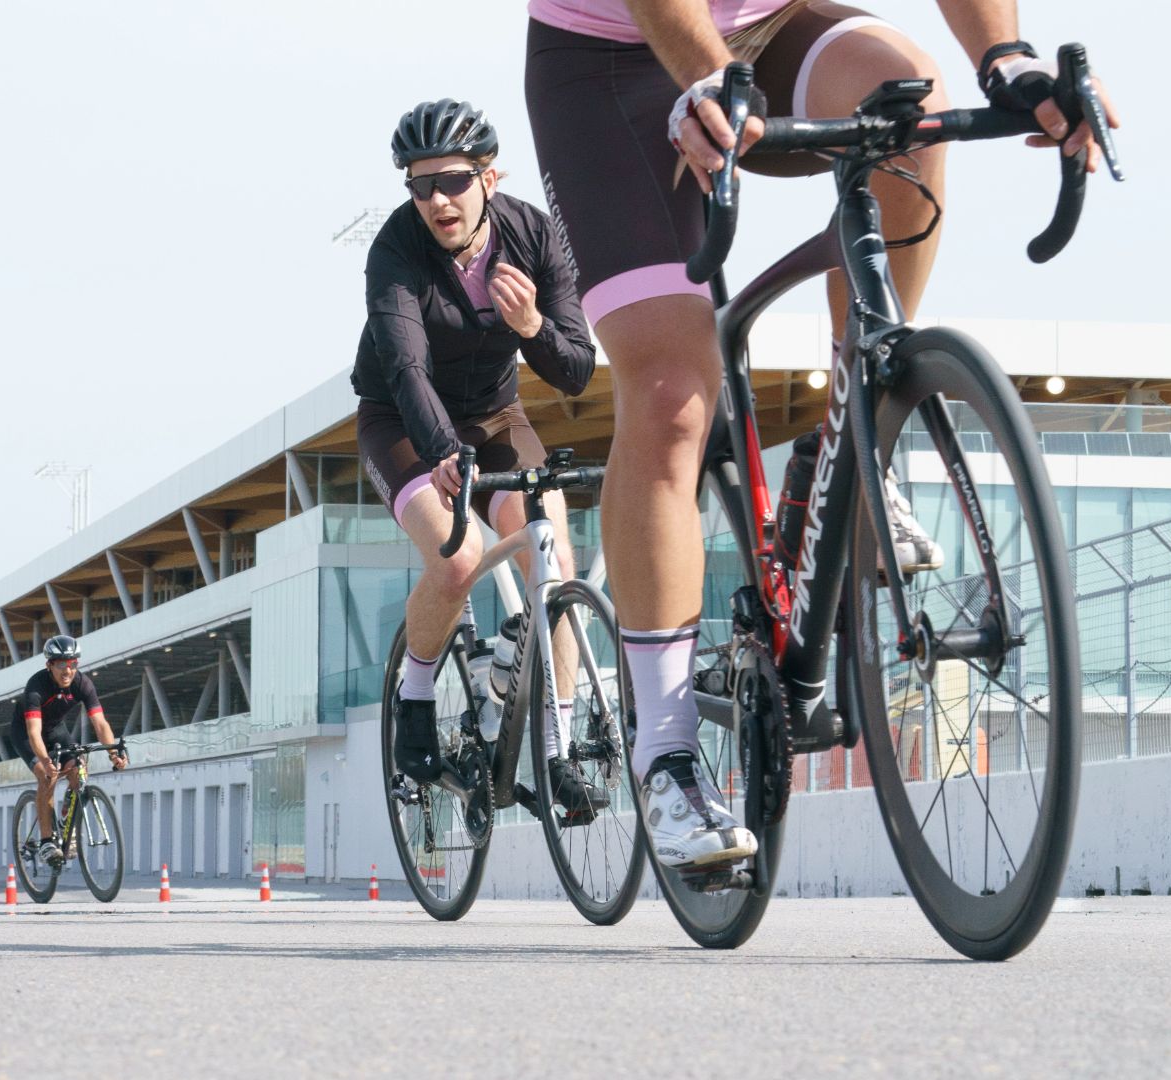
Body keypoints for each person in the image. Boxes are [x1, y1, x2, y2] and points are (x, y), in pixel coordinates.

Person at [523, 0, 1118, 868]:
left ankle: (854, 442)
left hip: (770, 27)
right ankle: (666, 752)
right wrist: (700, 76)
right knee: (672, 394)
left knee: (907, 105)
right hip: (607, 60)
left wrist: (1010, 59)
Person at [356, 100, 604, 816]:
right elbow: (404, 369)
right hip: (402, 419)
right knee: (458, 559)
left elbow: (576, 370)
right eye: (420, 184)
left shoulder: (535, 235)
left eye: (454, 181)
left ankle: (557, 750)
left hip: (498, 412)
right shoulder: (395, 250)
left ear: (491, 178)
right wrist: (442, 455)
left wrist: (530, 326)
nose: (436, 200)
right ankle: (416, 700)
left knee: (553, 563)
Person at [22, 636, 128, 866]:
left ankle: (65, 819)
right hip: (27, 734)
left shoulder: (83, 684)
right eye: (61, 664)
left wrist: (113, 754)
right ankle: (46, 841)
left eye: (73, 664)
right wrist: (45, 761)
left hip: (56, 731)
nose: (68, 670)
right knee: (46, 775)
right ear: (49, 664)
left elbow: (100, 723)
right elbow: (33, 733)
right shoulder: (37, 686)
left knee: (79, 768)